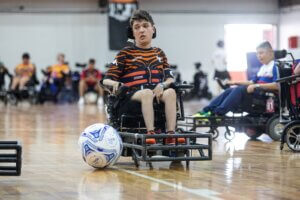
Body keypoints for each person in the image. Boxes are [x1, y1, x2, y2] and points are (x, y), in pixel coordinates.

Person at [103, 9, 184, 145]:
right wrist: (115, 84)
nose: (141, 30)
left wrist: (162, 85)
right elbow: (106, 79)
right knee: (146, 93)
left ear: (153, 29)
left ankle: (171, 134)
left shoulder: (160, 53)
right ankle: (150, 133)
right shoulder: (125, 53)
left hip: (157, 94)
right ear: (132, 33)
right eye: (137, 27)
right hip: (131, 98)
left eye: (145, 26)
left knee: (170, 92)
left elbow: (170, 78)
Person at [193, 41, 278, 117]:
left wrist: (257, 85)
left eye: (261, 53)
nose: (258, 56)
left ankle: (217, 113)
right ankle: (206, 110)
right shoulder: (263, 68)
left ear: (270, 52)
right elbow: (251, 82)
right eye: (257, 54)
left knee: (239, 90)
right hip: (255, 92)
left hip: (264, 95)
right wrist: (234, 82)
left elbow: (277, 85)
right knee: (230, 90)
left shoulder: (275, 66)